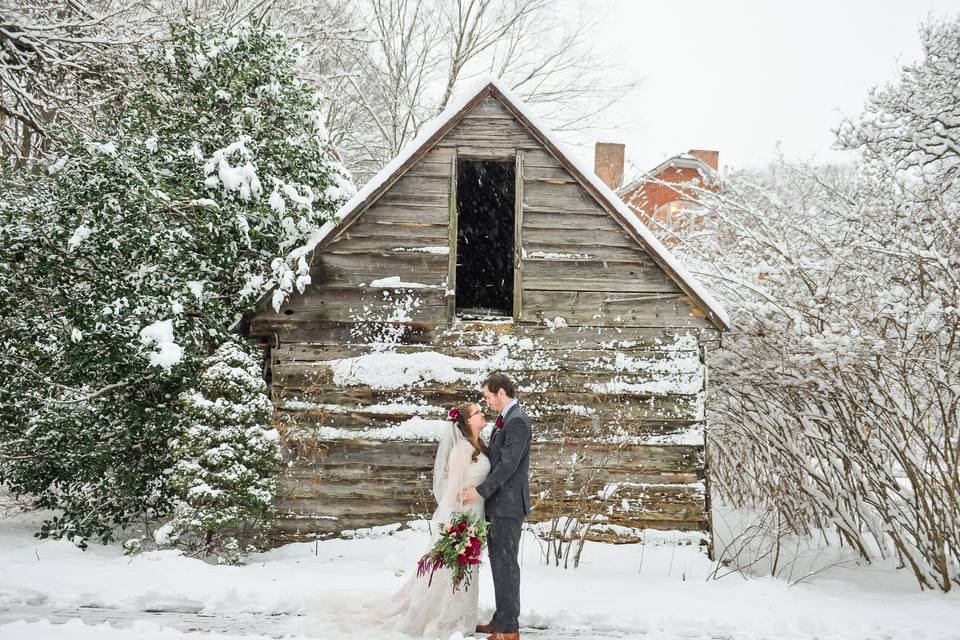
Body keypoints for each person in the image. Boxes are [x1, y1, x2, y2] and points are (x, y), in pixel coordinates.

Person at [374, 401, 490, 638]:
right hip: (462, 517)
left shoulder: (480, 445)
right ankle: (448, 615)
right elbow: (454, 488)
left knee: (468, 569)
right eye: (478, 412)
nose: (482, 414)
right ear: (467, 421)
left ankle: (463, 613)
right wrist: (458, 526)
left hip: (476, 514)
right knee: (452, 569)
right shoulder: (460, 450)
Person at [462, 372, 532, 640]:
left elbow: (507, 466)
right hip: (500, 504)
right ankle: (501, 619)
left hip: (508, 506)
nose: (488, 402)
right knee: (500, 564)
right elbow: (496, 458)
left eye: (488, 396)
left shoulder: (517, 422)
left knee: (506, 566)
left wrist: (481, 491)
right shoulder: (508, 420)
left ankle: (508, 630)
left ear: (501, 392)